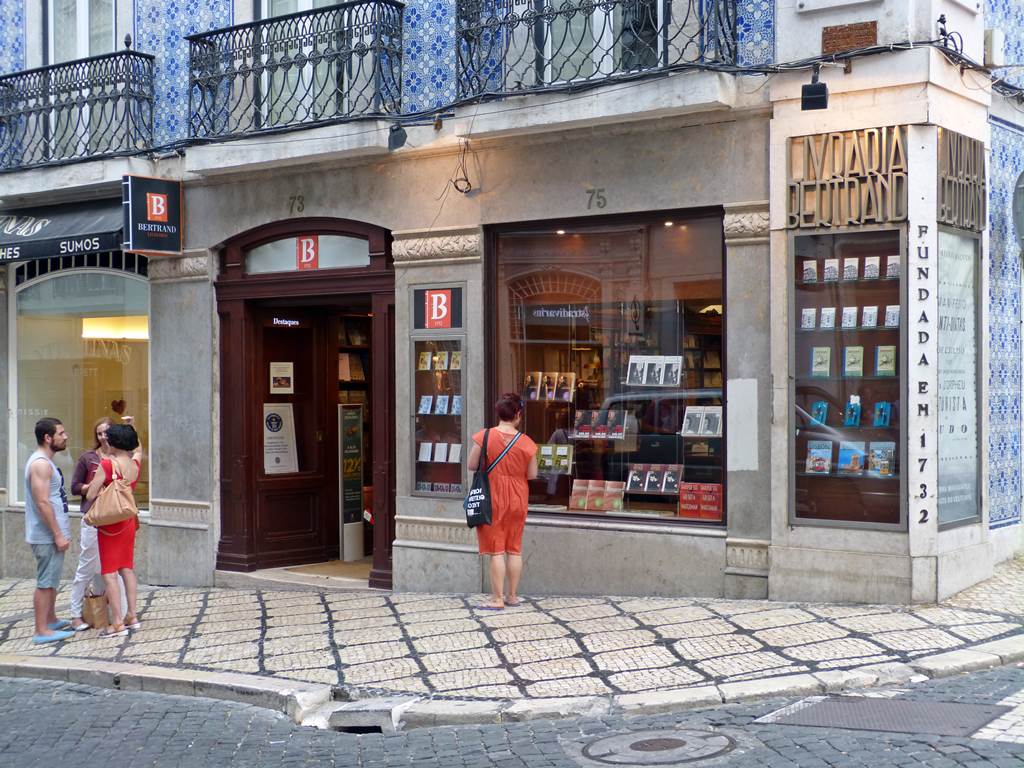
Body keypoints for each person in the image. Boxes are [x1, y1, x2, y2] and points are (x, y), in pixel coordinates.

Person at [467, 393, 538, 610]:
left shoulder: (484, 436)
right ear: (518, 414)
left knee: (496, 550)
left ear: (498, 413)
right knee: (514, 548)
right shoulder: (527, 443)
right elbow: (533, 474)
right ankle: (512, 596)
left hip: (493, 495)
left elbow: (471, 465)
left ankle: (497, 599)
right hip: (518, 496)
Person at [68, 417, 127, 631]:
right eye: (100, 433)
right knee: (87, 565)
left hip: (114, 519)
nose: (103, 436)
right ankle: (75, 614)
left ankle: (118, 613)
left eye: (107, 432)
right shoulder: (88, 458)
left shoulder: (120, 458)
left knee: (114, 567)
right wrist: (94, 486)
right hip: (93, 517)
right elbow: (75, 488)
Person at [86, 423, 142, 638]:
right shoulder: (135, 464)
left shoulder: (108, 465)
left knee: (109, 572)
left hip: (110, 523)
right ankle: (132, 615)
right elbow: (139, 451)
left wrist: (99, 488)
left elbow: (90, 494)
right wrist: (132, 427)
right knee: (126, 568)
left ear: (112, 442)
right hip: (128, 520)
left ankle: (117, 622)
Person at [24, 417, 74, 644]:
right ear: (48, 437)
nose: (65, 437)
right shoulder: (40, 464)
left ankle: (51, 619)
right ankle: (41, 630)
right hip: (46, 535)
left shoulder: (46, 462)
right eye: (61, 433)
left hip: (52, 534)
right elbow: (42, 502)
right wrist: (57, 534)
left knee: (52, 579)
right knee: (45, 582)